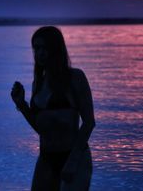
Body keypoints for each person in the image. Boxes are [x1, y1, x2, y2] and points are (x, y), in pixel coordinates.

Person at [11, 26, 96, 191]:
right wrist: (21, 104)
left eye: (45, 48)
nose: (40, 53)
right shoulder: (38, 83)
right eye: (36, 48)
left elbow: (89, 123)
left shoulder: (75, 78)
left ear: (56, 49)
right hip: (46, 158)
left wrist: (72, 161)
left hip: (74, 156)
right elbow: (41, 128)